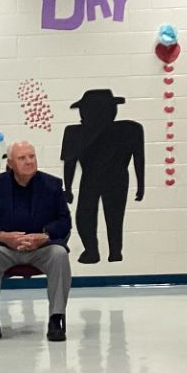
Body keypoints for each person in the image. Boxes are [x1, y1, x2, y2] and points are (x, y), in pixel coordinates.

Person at [0, 141, 72, 343]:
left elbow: (65, 222)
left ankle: (55, 319)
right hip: (5, 248)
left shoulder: (52, 185)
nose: (29, 161)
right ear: (10, 163)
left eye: (32, 156)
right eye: (22, 158)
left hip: (41, 248)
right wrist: (2, 236)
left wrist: (43, 237)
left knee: (59, 255)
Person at [61, 89, 144, 264]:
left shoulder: (128, 130)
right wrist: (67, 188)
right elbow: (69, 163)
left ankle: (108, 251)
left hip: (108, 177)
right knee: (91, 215)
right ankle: (98, 251)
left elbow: (138, 159)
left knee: (107, 215)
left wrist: (68, 188)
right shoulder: (129, 129)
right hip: (102, 177)